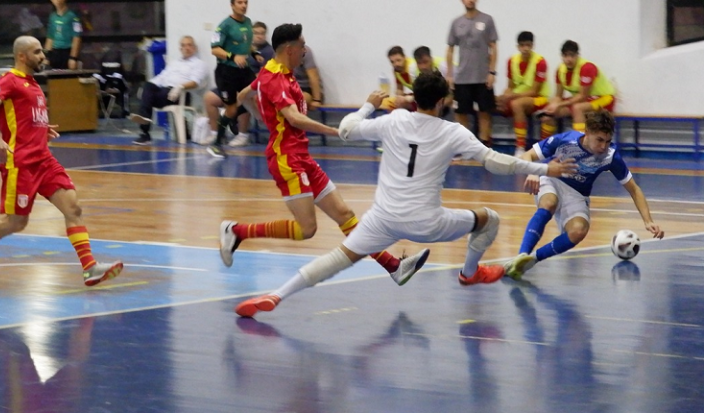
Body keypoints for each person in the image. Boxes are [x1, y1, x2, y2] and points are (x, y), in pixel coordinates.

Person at [234, 70, 578, 318]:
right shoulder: (452, 130)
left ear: (415, 98)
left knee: (337, 258)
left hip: (381, 219)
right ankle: (469, 273)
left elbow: (345, 130)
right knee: (489, 220)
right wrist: (545, 169)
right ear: (443, 101)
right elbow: (496, 163)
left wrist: (369, 105)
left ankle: (277, 296)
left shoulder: (394, 120)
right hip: (427, 224)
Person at [226, 23, 406, 282]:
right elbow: (294, 118)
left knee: (344, 214)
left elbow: (244, 95)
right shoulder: (274, 78)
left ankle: (393, 267)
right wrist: (334, 131)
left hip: (302, 156)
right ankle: (238, 231)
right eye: (302, 46)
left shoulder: (277, 71)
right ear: (289, 49)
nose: (305, 50)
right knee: (307, 229)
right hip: (286, 159)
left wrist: (266, 117)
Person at [0, 36, 123, 287]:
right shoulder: (10, 80)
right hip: (20, 163)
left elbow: (23, 116)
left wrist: (41, 127)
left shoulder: (33, 84)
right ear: (22, 56)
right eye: (37, 51)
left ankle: (90, 268)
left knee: (73, 208)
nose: (43, 56)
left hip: (44, 159)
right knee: (16, 222)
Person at [504, 110, 664, 280]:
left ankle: (531, 261)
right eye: (599, 140)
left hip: (578, 194)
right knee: (549, 203)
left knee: (579, 231)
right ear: (587, 132)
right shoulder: (565, 140)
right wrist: (534, 171)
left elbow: (634, 189)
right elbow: (527, 155)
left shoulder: (610, 156)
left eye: (608, 141)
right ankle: (522, 254)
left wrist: (648, 220)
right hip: (552, 180)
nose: (603, 146)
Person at [202, 21, 274, 147]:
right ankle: (216, 133)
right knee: (209, 98)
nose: (259, 36)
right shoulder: (243, 47)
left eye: (262, 33)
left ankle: (242, 135)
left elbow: (264, 76)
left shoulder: (268, 52)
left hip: (249, 86)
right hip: (231, 81)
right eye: (256, 33)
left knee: (242, 96)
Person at [129, 36, 209, 145]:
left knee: (149, 98)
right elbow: (161, 77)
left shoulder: (199, 64)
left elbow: (195, 82)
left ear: (194, 48)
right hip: (164, 93)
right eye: (183, 45)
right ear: (180, 48)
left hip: (180, 95)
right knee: (148, 86)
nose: (186, 48)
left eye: (189, 45)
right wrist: (148, 87)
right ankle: (145, 129)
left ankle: (145, 130)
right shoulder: (174, 63)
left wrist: (180, 87)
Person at [446, 0, 498, 146]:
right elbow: (450, 49)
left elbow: (493, 47)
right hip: (462, 77)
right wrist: (450, 75)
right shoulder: (456, 22)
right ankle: (466, 144)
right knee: (460, 112)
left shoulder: (487, 20)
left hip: (482, 76)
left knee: (484, 111)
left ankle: (484, 144)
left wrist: (492, 72)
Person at [208, 0, 255, 158]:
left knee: (258, 97)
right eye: (240, 2)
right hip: (226, 72)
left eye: (245, 2)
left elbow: (246, 44)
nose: (243, 5)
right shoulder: (225, 25)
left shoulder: (248, 22)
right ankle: (216, 144)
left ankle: (230, 117)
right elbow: (214, 49)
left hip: (244, 69)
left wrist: (254, 54)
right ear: (232, 5)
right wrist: (232, 56)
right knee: (231, 108)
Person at [537, 40, 616, 134]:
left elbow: (583, 96)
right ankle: (546, 147)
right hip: (583, 100)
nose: (569, 59)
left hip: (604, 98)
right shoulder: (560, 70)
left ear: (577, 55)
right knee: (548, 114)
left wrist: (559, 104)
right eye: (565, 55)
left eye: (572, 55)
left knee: (578, 108)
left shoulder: (586, 68)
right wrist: (552, 106)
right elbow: (558, 96)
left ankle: (579, 146)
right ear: (561, 56)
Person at [496, 31, 550, 157]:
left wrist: (511, 96)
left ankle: (520, 146)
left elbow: (534, 91)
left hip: (540, 98)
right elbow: (510, 87)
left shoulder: (540, 62)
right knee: (493, 101)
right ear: (518, 47)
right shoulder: (512, 61)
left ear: (532, 46)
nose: (525, 48)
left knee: (516, 104)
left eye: (528, 45)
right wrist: (504, 95)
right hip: (519, 97)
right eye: (522, 45)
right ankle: (484, 144)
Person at [43, 0, 82, 70]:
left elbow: (76, 38)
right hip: (55, 52)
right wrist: (46, 56)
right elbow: (50, 38)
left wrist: (73, 58)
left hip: (67, 52)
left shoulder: (73, 16)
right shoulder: (52, 17)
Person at [293, 45, 324, 110]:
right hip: (291, 88)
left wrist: (317, 100)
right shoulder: (278, 53)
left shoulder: (304, 51)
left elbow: (313, 76)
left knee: (293, 102)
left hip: (307, 89)